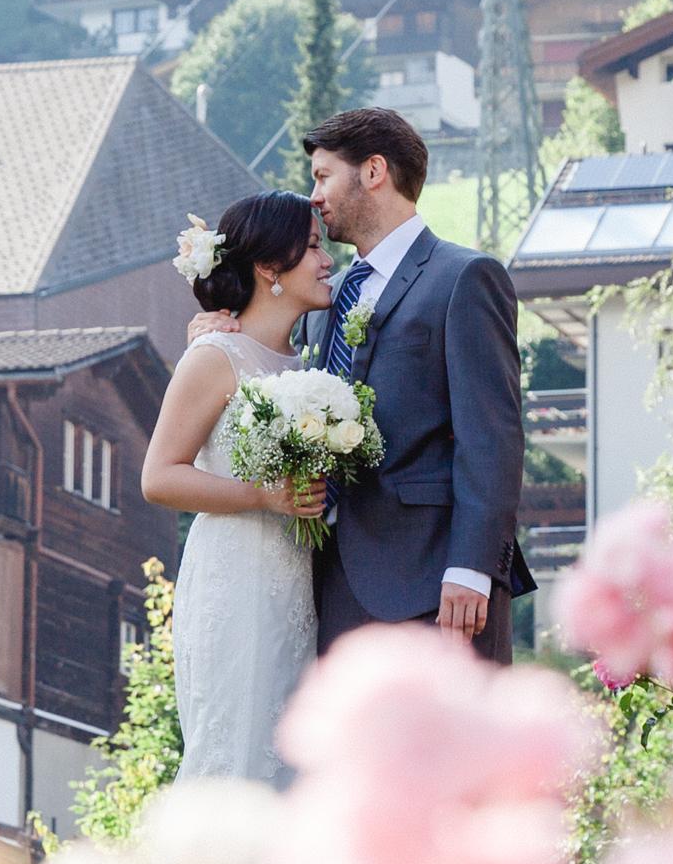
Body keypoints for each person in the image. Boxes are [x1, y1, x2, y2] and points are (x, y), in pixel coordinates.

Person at [297, 108, 532, 663]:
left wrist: (472, 566)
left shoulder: (464, 278)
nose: (314, 194)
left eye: (323, 175)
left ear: (374, 171)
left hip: (436, 580)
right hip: (331, 583)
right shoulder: (322, 299)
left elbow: (492, 436)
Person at [138, 191, 333, 785]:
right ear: (270, 267)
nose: (328, 260)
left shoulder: (311, 364)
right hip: (237, 579)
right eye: (314, 247)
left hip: (301, 584)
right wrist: (260, 496)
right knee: (239, 754)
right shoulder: (214, 356)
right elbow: (159, 476)